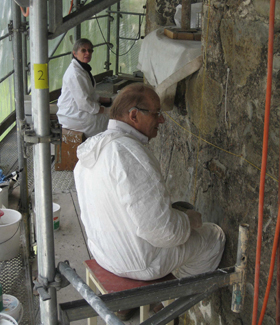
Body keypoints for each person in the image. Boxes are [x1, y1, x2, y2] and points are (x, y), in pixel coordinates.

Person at [74, 83, 225, 282]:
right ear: (134, 116)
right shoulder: (128, 153)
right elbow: (163, 232)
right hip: (140, 263)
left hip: (103, 254)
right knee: (213, 237)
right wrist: (189, 221)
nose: (161, 120)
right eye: (156, 113)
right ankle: (171, 301)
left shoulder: (93, 149)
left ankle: (128, 304)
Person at [57, 38, 110, 137]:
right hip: (73, 116)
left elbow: (89, 93)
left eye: (90, 50)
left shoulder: (82, 69)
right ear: (75, 53)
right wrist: (106, 110)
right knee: (109, 118)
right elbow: (85, 104)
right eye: (83, 50)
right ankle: (99, 146)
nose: (87, 53)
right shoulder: (75, 73)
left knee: (108, 114)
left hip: (77, 111)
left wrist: (109, 100)